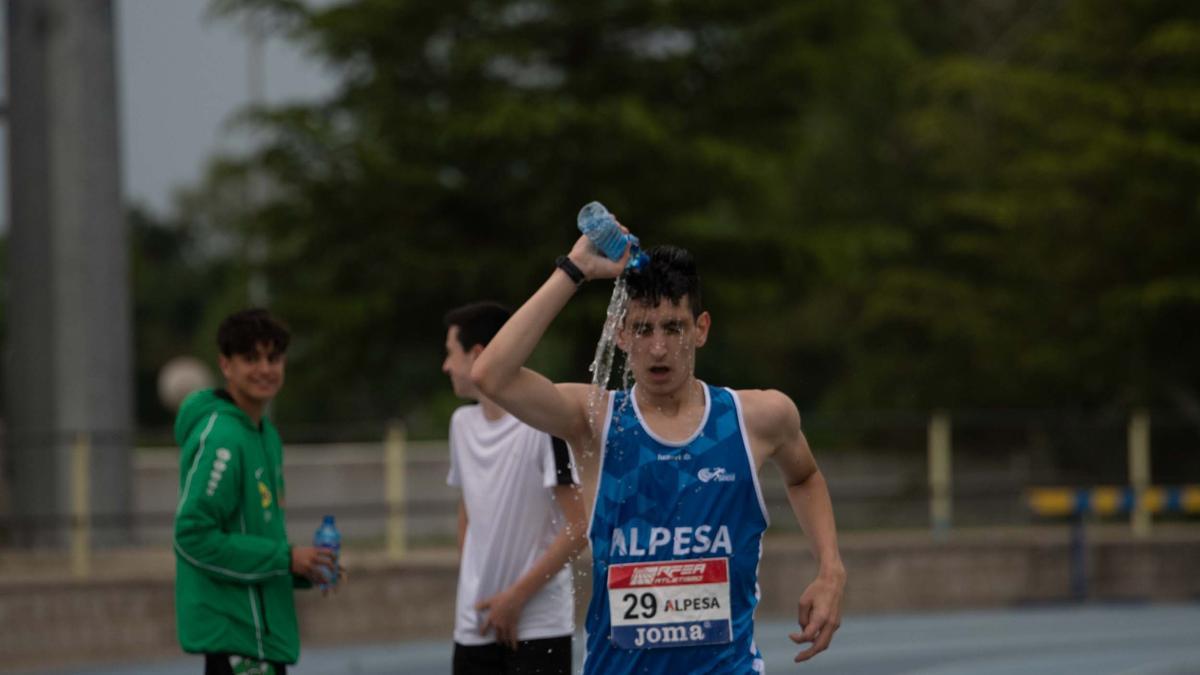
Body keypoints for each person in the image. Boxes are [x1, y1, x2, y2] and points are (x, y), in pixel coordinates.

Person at [471, 238, 846, 673]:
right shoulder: (594, 420)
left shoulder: (758, 417)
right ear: (622, 334)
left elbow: (805, 478)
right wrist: (574, 270)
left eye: (673, 328)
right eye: (644, 329)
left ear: (700, 329)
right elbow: (491, 375)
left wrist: (830, 568)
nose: (658, 349)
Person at [173, 308, 337, 675]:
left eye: (274, 358)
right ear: (226, 365)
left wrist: (301, 567)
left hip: (263, 636)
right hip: (238, 638)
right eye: (251, 358)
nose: (265, 368)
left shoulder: (265, 434)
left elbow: (254, 534)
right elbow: (191, 536)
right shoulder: (223, 439)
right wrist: (285, 558)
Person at [442, 301, 589, 675]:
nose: (445, 366)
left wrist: (516, 597)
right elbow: (468, 509)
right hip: (476, 621)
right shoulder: (461, 425)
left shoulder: (542, 423)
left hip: (539, 624)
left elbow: (579, 526)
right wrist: (477, 581)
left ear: (477, 355)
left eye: (450, 354)